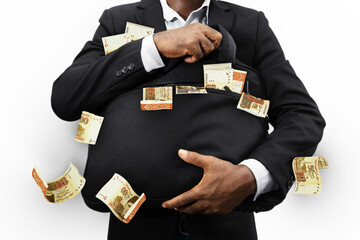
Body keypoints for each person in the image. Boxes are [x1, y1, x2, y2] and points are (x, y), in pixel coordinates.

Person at [51, 0, 326, 239]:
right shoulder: (118, 20)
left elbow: (302, 115)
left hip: (227, 229)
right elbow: (66, 98)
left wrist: (250, 176)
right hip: (137, 230)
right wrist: (154, 47)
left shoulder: (249, 24)